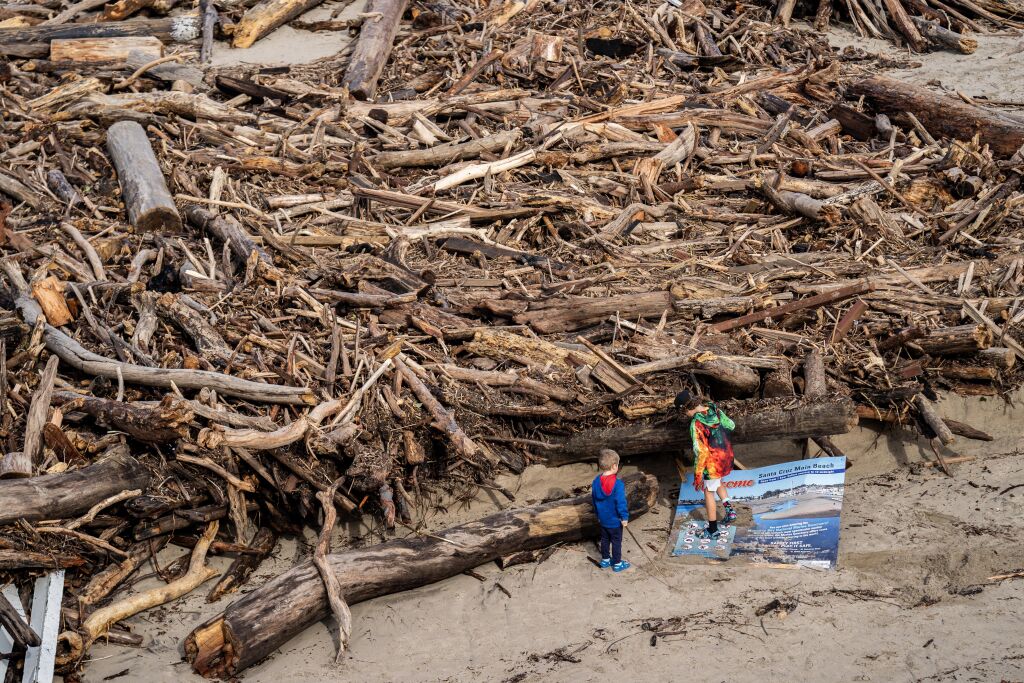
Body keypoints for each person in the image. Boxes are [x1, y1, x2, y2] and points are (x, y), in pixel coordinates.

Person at [675, 390, 737, 540]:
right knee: (718, 482)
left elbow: (700, 452)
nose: (686, 416)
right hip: (726, 456)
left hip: (712, 462)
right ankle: (730, 511)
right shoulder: (714, 409)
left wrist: (698, 475)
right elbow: (731, 425)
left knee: (708, 491)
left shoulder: (696, 423)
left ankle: (713, 529)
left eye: (684, 412)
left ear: (686, 409)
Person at [591, 448, 631, 572]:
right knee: (616, 542)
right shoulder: (618, 484)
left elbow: (594, 501)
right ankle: (617, 563)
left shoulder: (596, 481)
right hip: (615, 521)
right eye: (618, 464)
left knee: (605, 540)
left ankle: (605, 560)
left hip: (603, 519)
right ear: (614, 466)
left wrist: (597, 514)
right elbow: (621, 503)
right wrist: (624, 517)